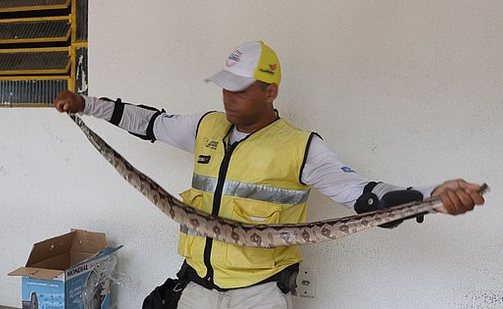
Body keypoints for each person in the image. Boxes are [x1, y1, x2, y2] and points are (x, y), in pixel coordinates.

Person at [54, 41, 485, 309]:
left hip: (258, 295)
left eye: (241, 87)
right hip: (196, 287)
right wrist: (85, 105)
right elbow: (147, 121)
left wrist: (431, 195)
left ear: (270, 90)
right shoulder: (206, 127)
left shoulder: (301, 147)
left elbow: (365, 197)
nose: (229, 97)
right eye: (225, 85)